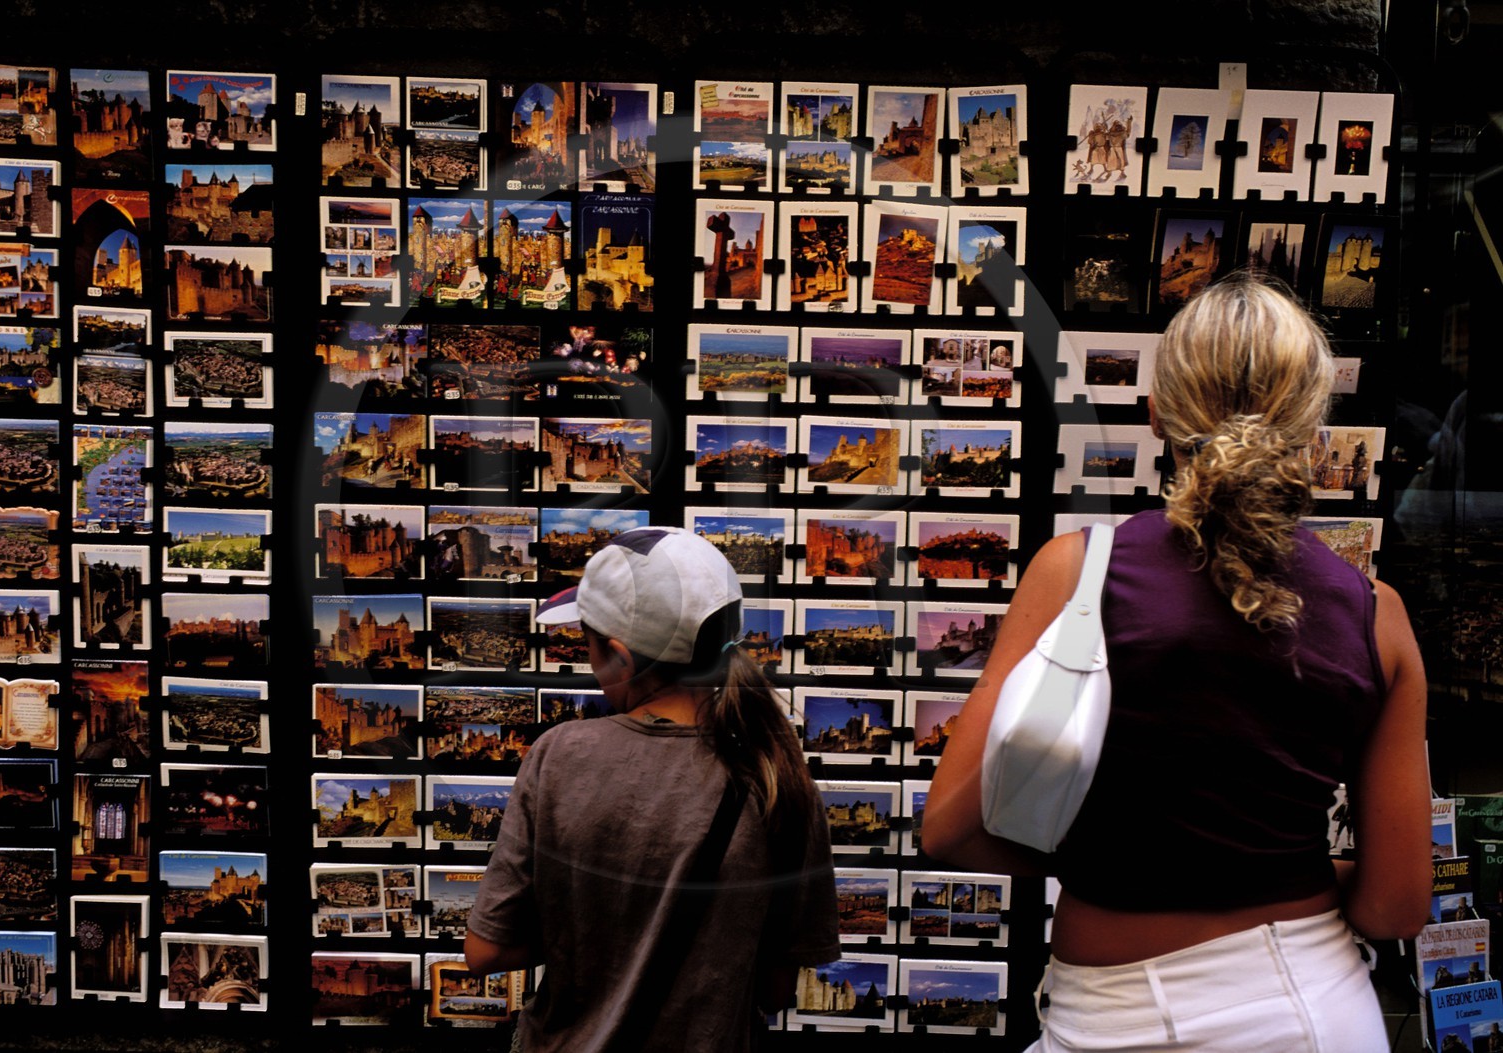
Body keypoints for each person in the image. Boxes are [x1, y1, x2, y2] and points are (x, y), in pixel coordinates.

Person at [922, 271, 1431, 1052]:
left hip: (1105, 1015)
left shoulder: (1075, 574)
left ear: (1158, 414)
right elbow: (1396, 907)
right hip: (1310, 1008)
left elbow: (950, 828)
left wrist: (1110, 856)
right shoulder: (1377, 615)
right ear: (1313, 426)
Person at [465, 526, 840, 1052]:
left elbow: (486, 952)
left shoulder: (560, 756)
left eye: (589, 648)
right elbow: (776, 987)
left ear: (621, 656)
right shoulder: (778, 774)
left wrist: (597, 932)